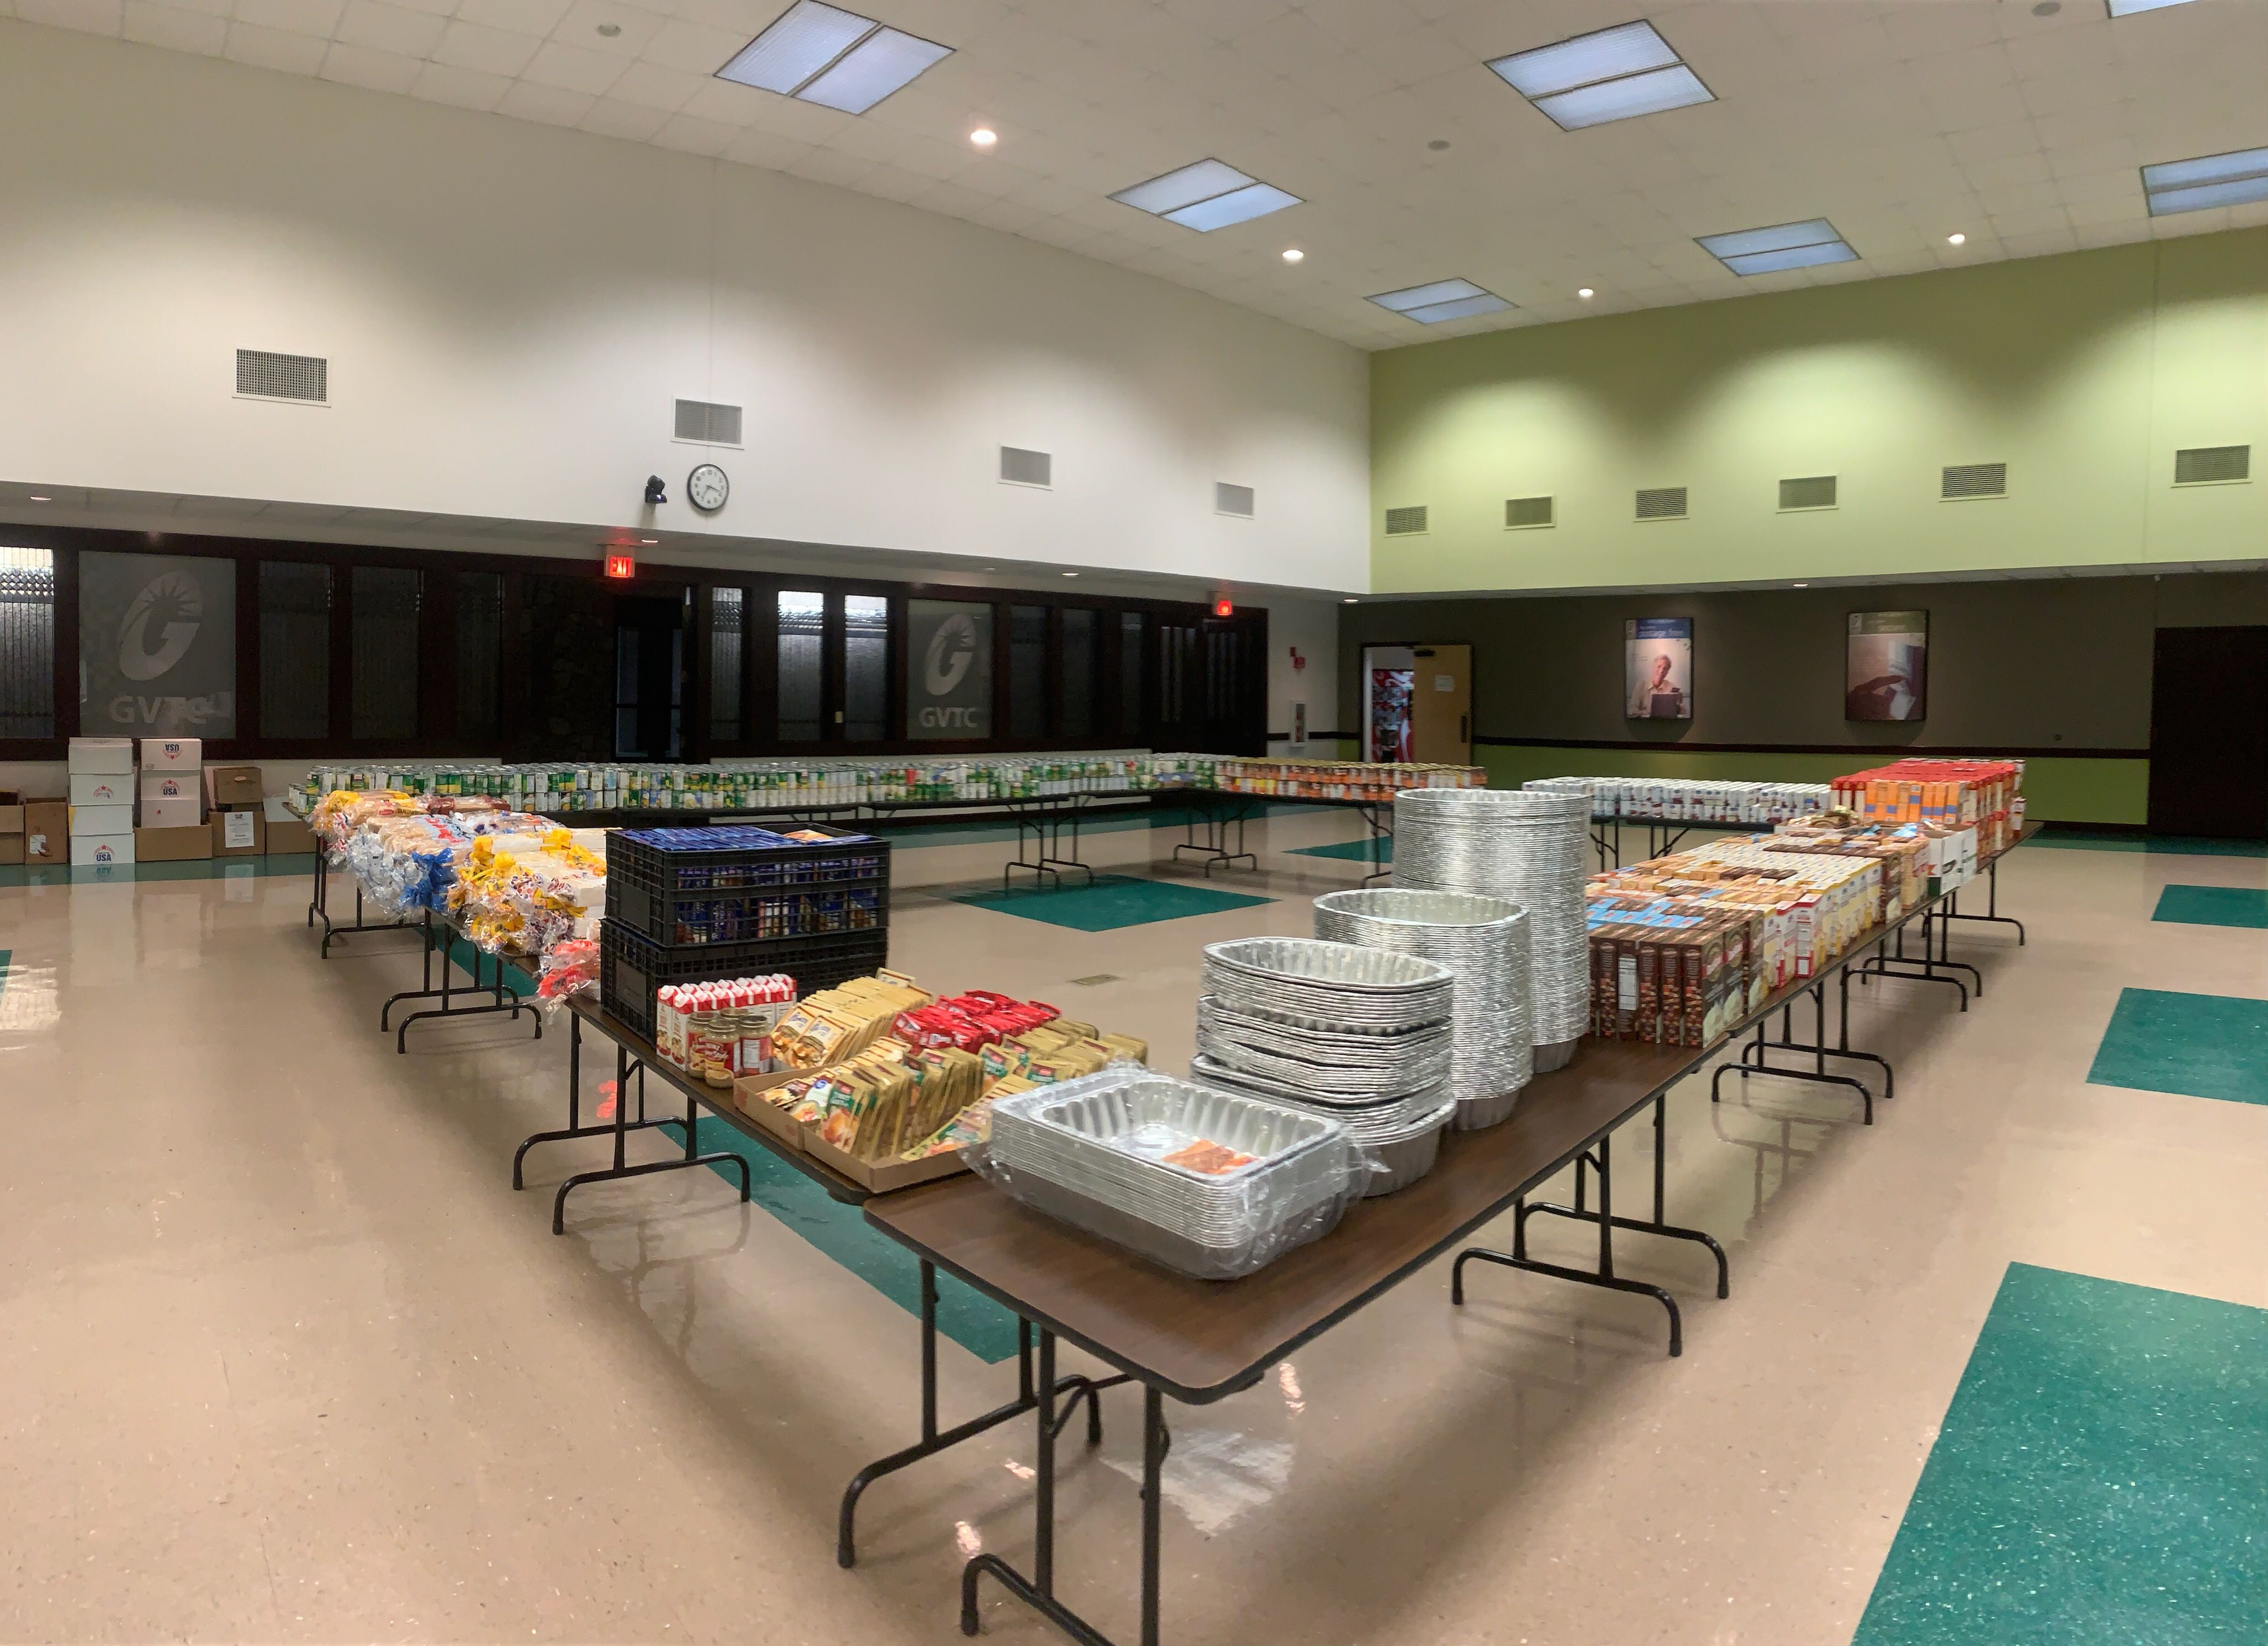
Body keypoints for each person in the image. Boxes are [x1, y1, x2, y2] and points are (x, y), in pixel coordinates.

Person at [1628, 650, 1682, 717]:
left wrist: (1678, 705)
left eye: (1665, 668)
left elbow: (1683, 713)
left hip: (1666, 724)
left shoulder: (1672, 687)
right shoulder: (1641, 686)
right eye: (1659, 667)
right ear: (1653, 667)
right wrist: (1645, 713)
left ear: (1668, 672)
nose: (1661, 671)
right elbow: (1631, 710)